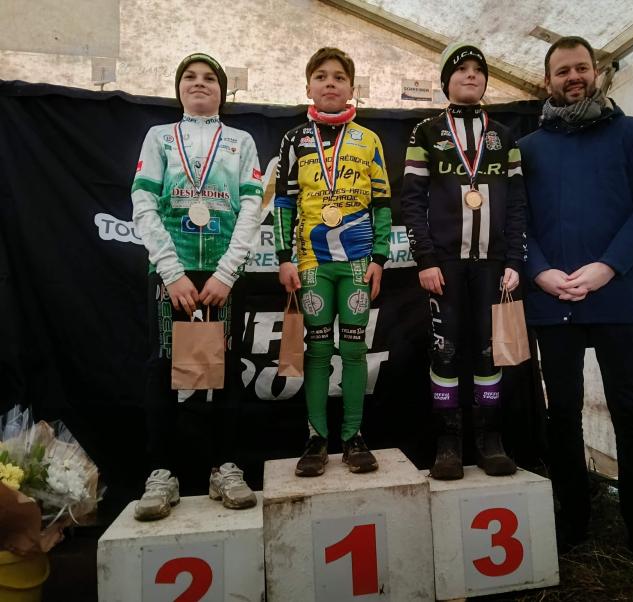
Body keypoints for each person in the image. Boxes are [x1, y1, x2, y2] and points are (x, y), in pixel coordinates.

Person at [519, 36, 633, 563]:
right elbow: (516, 221)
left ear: (597, 72)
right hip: (553, 303)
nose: (573, 77)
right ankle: (572, 522)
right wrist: (540, 272)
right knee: (562, 414)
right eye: (562, 71)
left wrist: (609, 266)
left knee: (629, 412)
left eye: (581, 68)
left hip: (618, 300)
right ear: (547, 81)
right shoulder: (528, 149)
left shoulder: (631, 133)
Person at [131, 53, 263, 520]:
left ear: (223, 91)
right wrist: (171, 271)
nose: (200, 83)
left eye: (210, 78)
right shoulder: (160, 137)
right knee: (164, 367)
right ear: (179, 88)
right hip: (173, 273)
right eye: (190, 77)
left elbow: (252, 207)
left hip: (222, 276)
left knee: (225, 368)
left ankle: (224, 466)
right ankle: (162, 473)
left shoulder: (241, 141)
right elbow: (143, 201)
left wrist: (227, 273)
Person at [401, 42, 526, 480]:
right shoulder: (426, 132)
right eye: (461, 70)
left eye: (478, 69)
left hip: (494, 264)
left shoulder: (504, 136)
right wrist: (425, 259)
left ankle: (490, 440)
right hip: (445, 265)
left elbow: (517, 202)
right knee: (446, 351)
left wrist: (515, 258)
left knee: (490, 352)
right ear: (446, 81)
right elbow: (411, 201)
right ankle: (448, 444)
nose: (471, 75)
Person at [274, 47, 391, 477]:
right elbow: (284, 202)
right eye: (321, 76)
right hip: (311, 263)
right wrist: (283, 258)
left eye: (339, 77)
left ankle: (354, 436)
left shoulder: (369, 139)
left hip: (357, 261)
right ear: (308, 87)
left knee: (355, 349)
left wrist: (380, 257)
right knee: (319, 349)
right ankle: (316, 438)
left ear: (351, 88)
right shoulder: (294, 139)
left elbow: (382, 202)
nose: (330, 83)